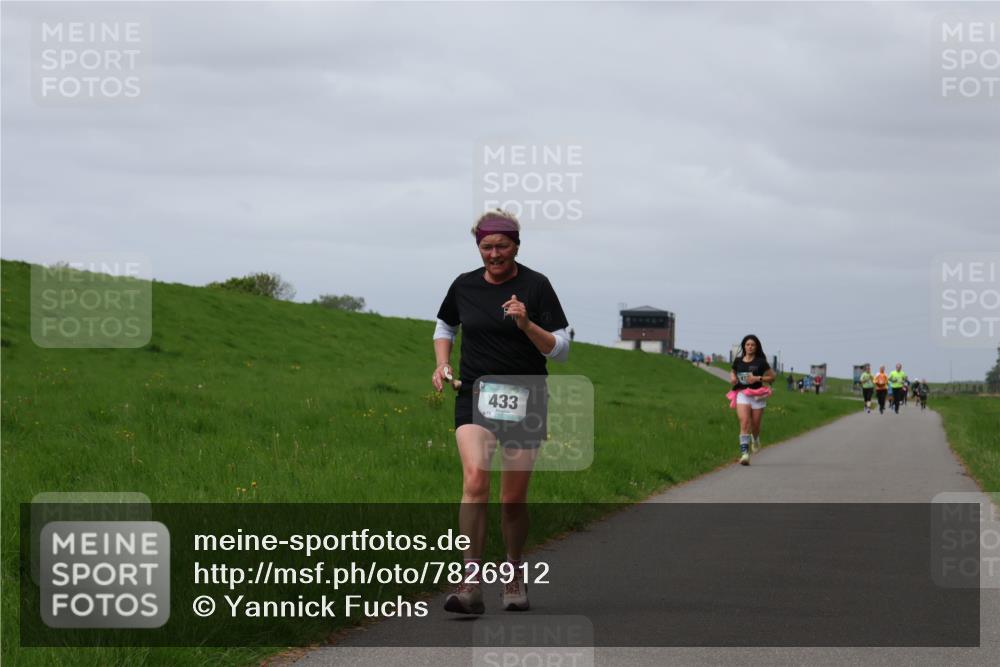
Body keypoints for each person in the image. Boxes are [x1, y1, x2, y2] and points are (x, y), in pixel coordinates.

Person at [432, 209, 570, 614]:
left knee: (512, 499)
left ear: (516, 245)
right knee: (474, 480)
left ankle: (512, 575)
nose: (494, 255)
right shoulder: (463, 286)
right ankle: (470, 582)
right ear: (478, 246)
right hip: (474, 393)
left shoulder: (537, 285)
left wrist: (526, 323)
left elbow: (561, 350)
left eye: (502, 247)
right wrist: (442, 363)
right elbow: (445, 327)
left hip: (526, 397)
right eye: (486, 247)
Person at [727, 334, 776, 465]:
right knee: (744, 423)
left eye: (752, 345)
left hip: (757, 396)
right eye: (748, 344)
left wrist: (758, 378)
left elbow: (772, 377)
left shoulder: (761, 362)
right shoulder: (738, 361)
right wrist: (732, 377)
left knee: (755, 425)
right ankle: (744, 454)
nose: (750, 347)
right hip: (742, 394)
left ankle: (755, 439)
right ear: (744, 346)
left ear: (756, 347)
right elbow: (732, 371)